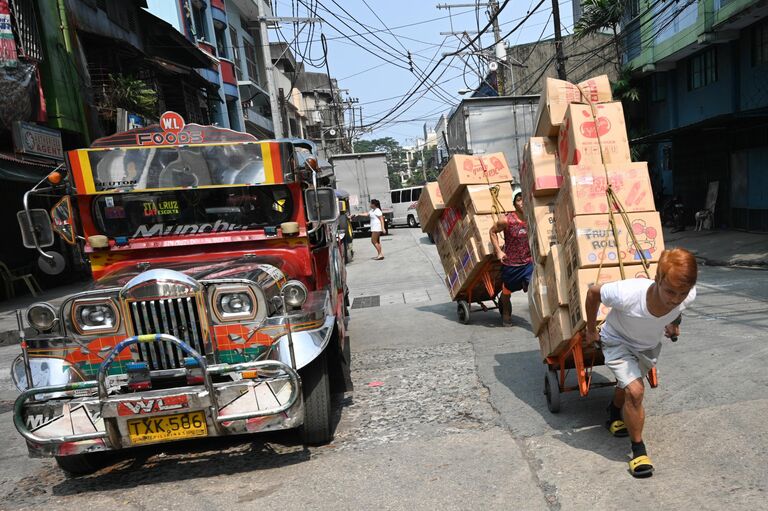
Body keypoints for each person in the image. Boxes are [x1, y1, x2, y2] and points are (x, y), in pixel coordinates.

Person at [584, 248, 698, 478]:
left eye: (682, 293)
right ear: (656, 279)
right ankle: (638, 451)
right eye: (670, 292)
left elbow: (678, 309)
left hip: (647, 346)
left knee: (626, 387)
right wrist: (589, 331)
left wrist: (674, 324)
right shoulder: (628, 293)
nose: (675, 299)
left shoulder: (689, 295)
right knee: (635, 391)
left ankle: (613, 413)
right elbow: (593, 293)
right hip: (617, 341)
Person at [489, 192, 533, 326]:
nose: (522, 203)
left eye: (524, 199)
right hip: (511, 265)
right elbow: (492, 232)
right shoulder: (507, 220)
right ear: (514, 204)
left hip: (528, 263)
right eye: (519, 200)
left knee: (534, 287)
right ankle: (506, 314)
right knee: (507, 291)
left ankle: (540, 318)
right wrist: (499, 251)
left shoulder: (532, 218)